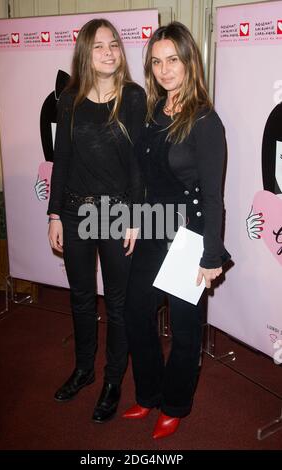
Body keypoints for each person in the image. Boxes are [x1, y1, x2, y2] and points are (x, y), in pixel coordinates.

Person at [123, 22, 231, 439]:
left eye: (173, 60)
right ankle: (148, 394)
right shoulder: (151, 113)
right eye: (156, 62)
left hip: (190, 236)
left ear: (189, 61)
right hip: (153, 227)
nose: (165, 70)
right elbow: (143, 176)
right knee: (135, 314)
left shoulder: (206, 121)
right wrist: (133, 217)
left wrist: (210, 257)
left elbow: (214, 197)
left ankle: (174, 404)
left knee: (185, 328)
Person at [47, 18, 146, 423]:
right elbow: (62, 161)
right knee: (82, 298)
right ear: (86, 53)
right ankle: (84, 370)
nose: (108, 52)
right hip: (74, 213)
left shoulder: (134, 97)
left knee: (118, 304)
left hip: (117, 214)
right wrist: (54, 213)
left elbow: (140, 164)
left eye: (114, 45)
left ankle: (112, 380)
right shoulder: (69, 99)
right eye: (99, 46)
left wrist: (136, 217)